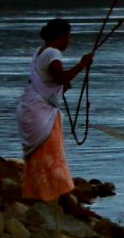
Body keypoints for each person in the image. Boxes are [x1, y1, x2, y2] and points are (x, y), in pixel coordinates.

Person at [18, 18, 90, 201]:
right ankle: (57, 196)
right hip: (40, 112)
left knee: (39, 156)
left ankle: (38, 193)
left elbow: (42, 81)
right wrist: (82, 65)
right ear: (61, 36)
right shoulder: (53, 53)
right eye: (68, 36)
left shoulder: (39, 52)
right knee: (52, 155)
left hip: (30, 108)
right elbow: (59, 77)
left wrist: (60, 88)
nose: (69, 41)